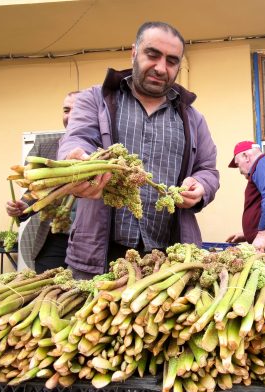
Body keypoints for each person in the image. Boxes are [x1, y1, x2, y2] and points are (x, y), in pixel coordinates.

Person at [57, 22, 220, 279]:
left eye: (171, 61)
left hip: (169, 259)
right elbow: (77, 139)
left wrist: (201, 186)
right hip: (99, 254)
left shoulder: (192, 118)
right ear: (134, 52)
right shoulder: (95, 99)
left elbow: (207, 169)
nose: (160, 68)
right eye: (152, 55)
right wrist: (77, 161)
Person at [5, 91, 79, 273]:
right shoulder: (44, 146)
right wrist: (23, 206)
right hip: (54, 236)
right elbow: (32, 189)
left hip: (95, 239)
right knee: (47, 292)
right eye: (66, 110)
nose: (69, 116)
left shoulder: (104, 149)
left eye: (77, 110)